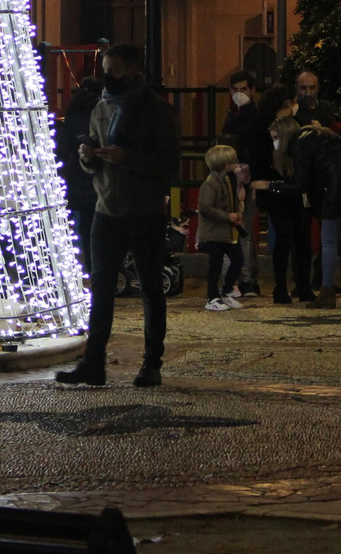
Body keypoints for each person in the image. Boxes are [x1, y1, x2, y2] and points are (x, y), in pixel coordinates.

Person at [57, 43, 182, 388]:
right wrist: (89, 156)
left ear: (132, 71)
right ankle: (93, 363)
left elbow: (169, 164)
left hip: (144, 212)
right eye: (105, 69)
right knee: (100, 287)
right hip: (106, 209)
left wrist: (127, 158)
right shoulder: (101, 107)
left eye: (114, 70)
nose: (107, 76)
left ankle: (151, 364)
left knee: (151, 288)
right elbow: (93, 159)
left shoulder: (156, 110)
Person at [272, 116, 341, 308]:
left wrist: (272, 186)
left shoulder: (300, 144)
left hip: (339, 187)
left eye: (275, 137)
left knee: (328, 240)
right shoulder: (317, 134)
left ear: (285, 135)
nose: (274, 143)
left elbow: (302, 183)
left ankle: (327, 292)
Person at [251, 87, 313, 303]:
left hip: (282, 192)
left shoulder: (293, 134)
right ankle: (288, 287)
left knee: (297, 240)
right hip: (280, 194)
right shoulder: (272, 131)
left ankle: (297, 286)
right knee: (290, 239)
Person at [221, 69, 269, 296]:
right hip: (234, 179)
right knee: (240, 228)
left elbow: (260, 151)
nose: (239, 93)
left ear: (252, 91)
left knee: (244, 229)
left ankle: (248, 279)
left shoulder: (255, 118)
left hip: (250, 180)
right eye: (236, 89)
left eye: (243, 89)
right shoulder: (232, 116)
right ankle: (243, 278)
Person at [55, 77, 103, 279]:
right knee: (97, 229)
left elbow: (63, 149)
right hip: (95, 179)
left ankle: (72, 271)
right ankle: (96, 269)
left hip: (75, 179)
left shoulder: (72, 114)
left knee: (79, 227)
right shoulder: (100, 112)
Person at [197, 144, 246, 311]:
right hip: (214, 233)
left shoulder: (227, 180)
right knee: (215, 265)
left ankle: (226, 292)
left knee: (238, 258)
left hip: (227, 232)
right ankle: (212, 297)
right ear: (226, 165)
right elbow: (206, 208)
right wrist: (228, 216)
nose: (236, 163)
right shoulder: (210, 184)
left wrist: (237, 212)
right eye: (234, 161)